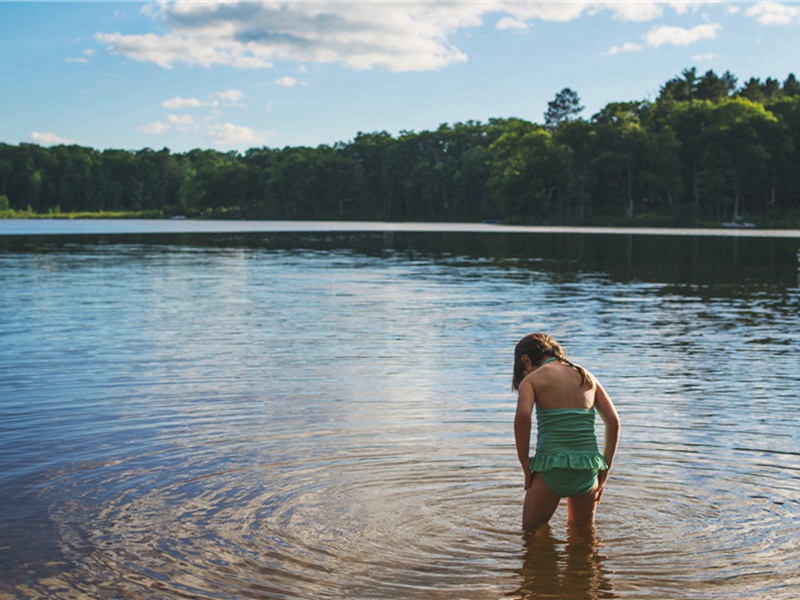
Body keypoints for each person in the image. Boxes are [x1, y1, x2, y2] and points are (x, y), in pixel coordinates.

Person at [513, 333, 620, 529]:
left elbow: (523, 416)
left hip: (552, 466)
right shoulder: (587, 377)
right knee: (583, 533)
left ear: (526, 360)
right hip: (587, 467)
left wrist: (524, 461)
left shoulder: (532, 380)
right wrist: (605, 469)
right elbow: (613, 422)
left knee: (531, 531)